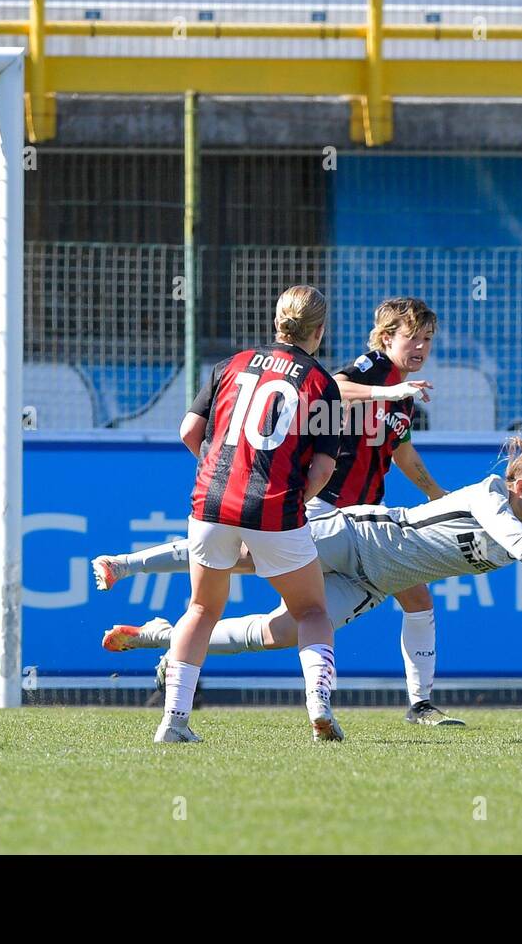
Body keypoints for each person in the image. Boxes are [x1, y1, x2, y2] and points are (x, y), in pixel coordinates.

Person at [97, 437, 522, 684]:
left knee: (279, 633)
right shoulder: (490, 493)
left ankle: (160, 638)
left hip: (371, 582)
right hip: (357, 538)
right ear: (520, 483)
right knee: (241, 556)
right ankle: (126, 564)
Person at [152, 284, 344, 744]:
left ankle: (173, 721)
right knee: (313, 610)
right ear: (318, 331)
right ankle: (318, 704)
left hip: (211, 501)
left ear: (277, 321)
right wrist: (289, 504)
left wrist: (222, 471)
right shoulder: (321, 383)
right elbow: (321, 467)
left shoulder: (230, 364)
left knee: (200, 608)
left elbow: (188, 431)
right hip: (274, 506)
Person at [312, 297, 460, 727]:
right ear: (386, 337)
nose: (421, 347)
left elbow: (402, 451)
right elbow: (332, 387)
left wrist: (437, 494)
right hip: (325, 510)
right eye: (411, 336)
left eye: (428, 338)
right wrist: (390, 390)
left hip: (365, 519)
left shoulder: (404, 393)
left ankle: (420, 704)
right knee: (276, 606)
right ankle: (174, 646)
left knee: (416, 596)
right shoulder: (376, 368)